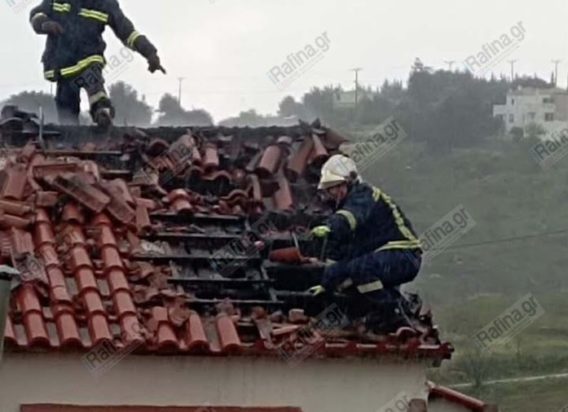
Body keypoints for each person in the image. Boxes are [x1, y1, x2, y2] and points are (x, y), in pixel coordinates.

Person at [308, 155, 423, 332]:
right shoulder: (350, 211)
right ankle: (376, 318)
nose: (331, 193)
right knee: (351, 277)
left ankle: (391, 314)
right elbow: (346, 259)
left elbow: (350, 217)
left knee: (361, 270)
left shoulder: (364, 194)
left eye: (334, 187)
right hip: (387, 256)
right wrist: (327, 283)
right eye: (329, 189)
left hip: (403, 253)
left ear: (348, 182)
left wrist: (330, 227)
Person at [29, 0, 165, 127]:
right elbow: (36, 14)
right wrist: (43, 23)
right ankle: (71, 132)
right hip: (64, 67)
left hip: (89, 60)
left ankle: (102, 111)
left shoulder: (105, 4)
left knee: (94, 85)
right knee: (67, 111)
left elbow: (127, 32)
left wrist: (149, 52)